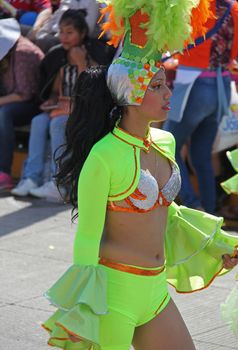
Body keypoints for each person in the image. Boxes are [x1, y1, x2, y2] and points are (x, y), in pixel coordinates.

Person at [42, 1, 238, 349]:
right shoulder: (104, 156)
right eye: (157, 86)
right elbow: (87, 237)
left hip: (155, 293)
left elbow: (168, 213)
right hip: (114, 296)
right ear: (131, 92)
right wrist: (85, 309)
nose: (168, 92)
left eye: (165, 83)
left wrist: (217, 244)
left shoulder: (165, 140)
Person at [163, 0, 238, 214]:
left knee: (167, 147)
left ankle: (192, 205)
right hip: (222, 86)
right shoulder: (234, 8)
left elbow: (174, 39)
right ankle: (209, 212)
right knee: (201, 154)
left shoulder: (194, 4)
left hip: (193, 84)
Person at [11, 9, 94, 201]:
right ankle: (31, 178)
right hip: (62, 106)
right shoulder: (58, 55)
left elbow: (91, 89)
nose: (63, 37)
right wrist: (51, 99)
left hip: (83, 110)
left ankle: (60, 182)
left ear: (82, 33)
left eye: (69, 32)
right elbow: (54, 89)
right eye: (61, 32)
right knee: (38, 122)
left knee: (58, 123)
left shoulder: (92, 53)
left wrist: (81, 63)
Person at [0, 18, 44, 191]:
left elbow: (25, 94)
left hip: (33, 104)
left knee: (4, 114)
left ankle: (4, 171)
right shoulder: (8, 53)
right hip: (11, 100)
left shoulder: (23, 52)